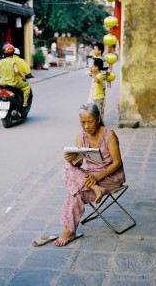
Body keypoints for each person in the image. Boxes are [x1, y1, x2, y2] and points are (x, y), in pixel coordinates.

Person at [55, 103, 125, 247]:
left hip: (110, 178)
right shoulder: (81, 136)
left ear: (98, 119)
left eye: (90, 122)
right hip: (91, 177)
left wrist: (97, 178)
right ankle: (95, 189)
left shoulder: (109, 135)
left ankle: (70, 230)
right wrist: (72, 160)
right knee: (67, 167)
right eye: (82, 122)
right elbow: (79, 164)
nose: (86, 126)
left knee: (76, 193)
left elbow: (117, 163)